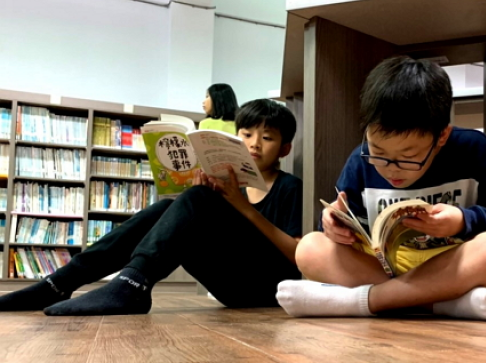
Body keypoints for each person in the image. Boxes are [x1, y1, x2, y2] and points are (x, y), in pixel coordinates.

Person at [276, 55, 486, 322]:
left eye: (408, 157)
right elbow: (337, 229)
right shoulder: (360, 160)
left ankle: (366, 301)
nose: (391, 169)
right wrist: (331, 224)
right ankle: (445, 305)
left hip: (453, 266)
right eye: (378, 152)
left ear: (442, 135)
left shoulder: (474, 149)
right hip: (386, 268)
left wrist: (462, 221)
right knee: (309, 247)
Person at [0, 99, 302, 315]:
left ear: (285, 149)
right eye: (246, 134)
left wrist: (242, 207)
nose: (254, 144)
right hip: (230, 282)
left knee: (198, 198)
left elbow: (297, 256)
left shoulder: (289, 187)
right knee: (169, 207)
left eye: (267, 137)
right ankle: (58, 283)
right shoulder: (229, 185)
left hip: (265, 289)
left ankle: (132, 285)